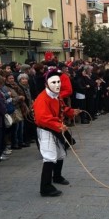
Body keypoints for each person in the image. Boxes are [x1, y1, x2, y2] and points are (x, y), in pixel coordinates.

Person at [33, 68, 81, 197]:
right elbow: (42, 118)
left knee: (60, 154)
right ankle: (45, 187)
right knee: (49, 157)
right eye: (53, 82)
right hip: (46, 130)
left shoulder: (56, 96)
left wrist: (71, 112)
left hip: (57, 128)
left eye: (58, 82)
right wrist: (58, 125)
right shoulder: (42, 98)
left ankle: (57, 177)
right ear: (46, 84)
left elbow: (62, 108)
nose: (57, 85)